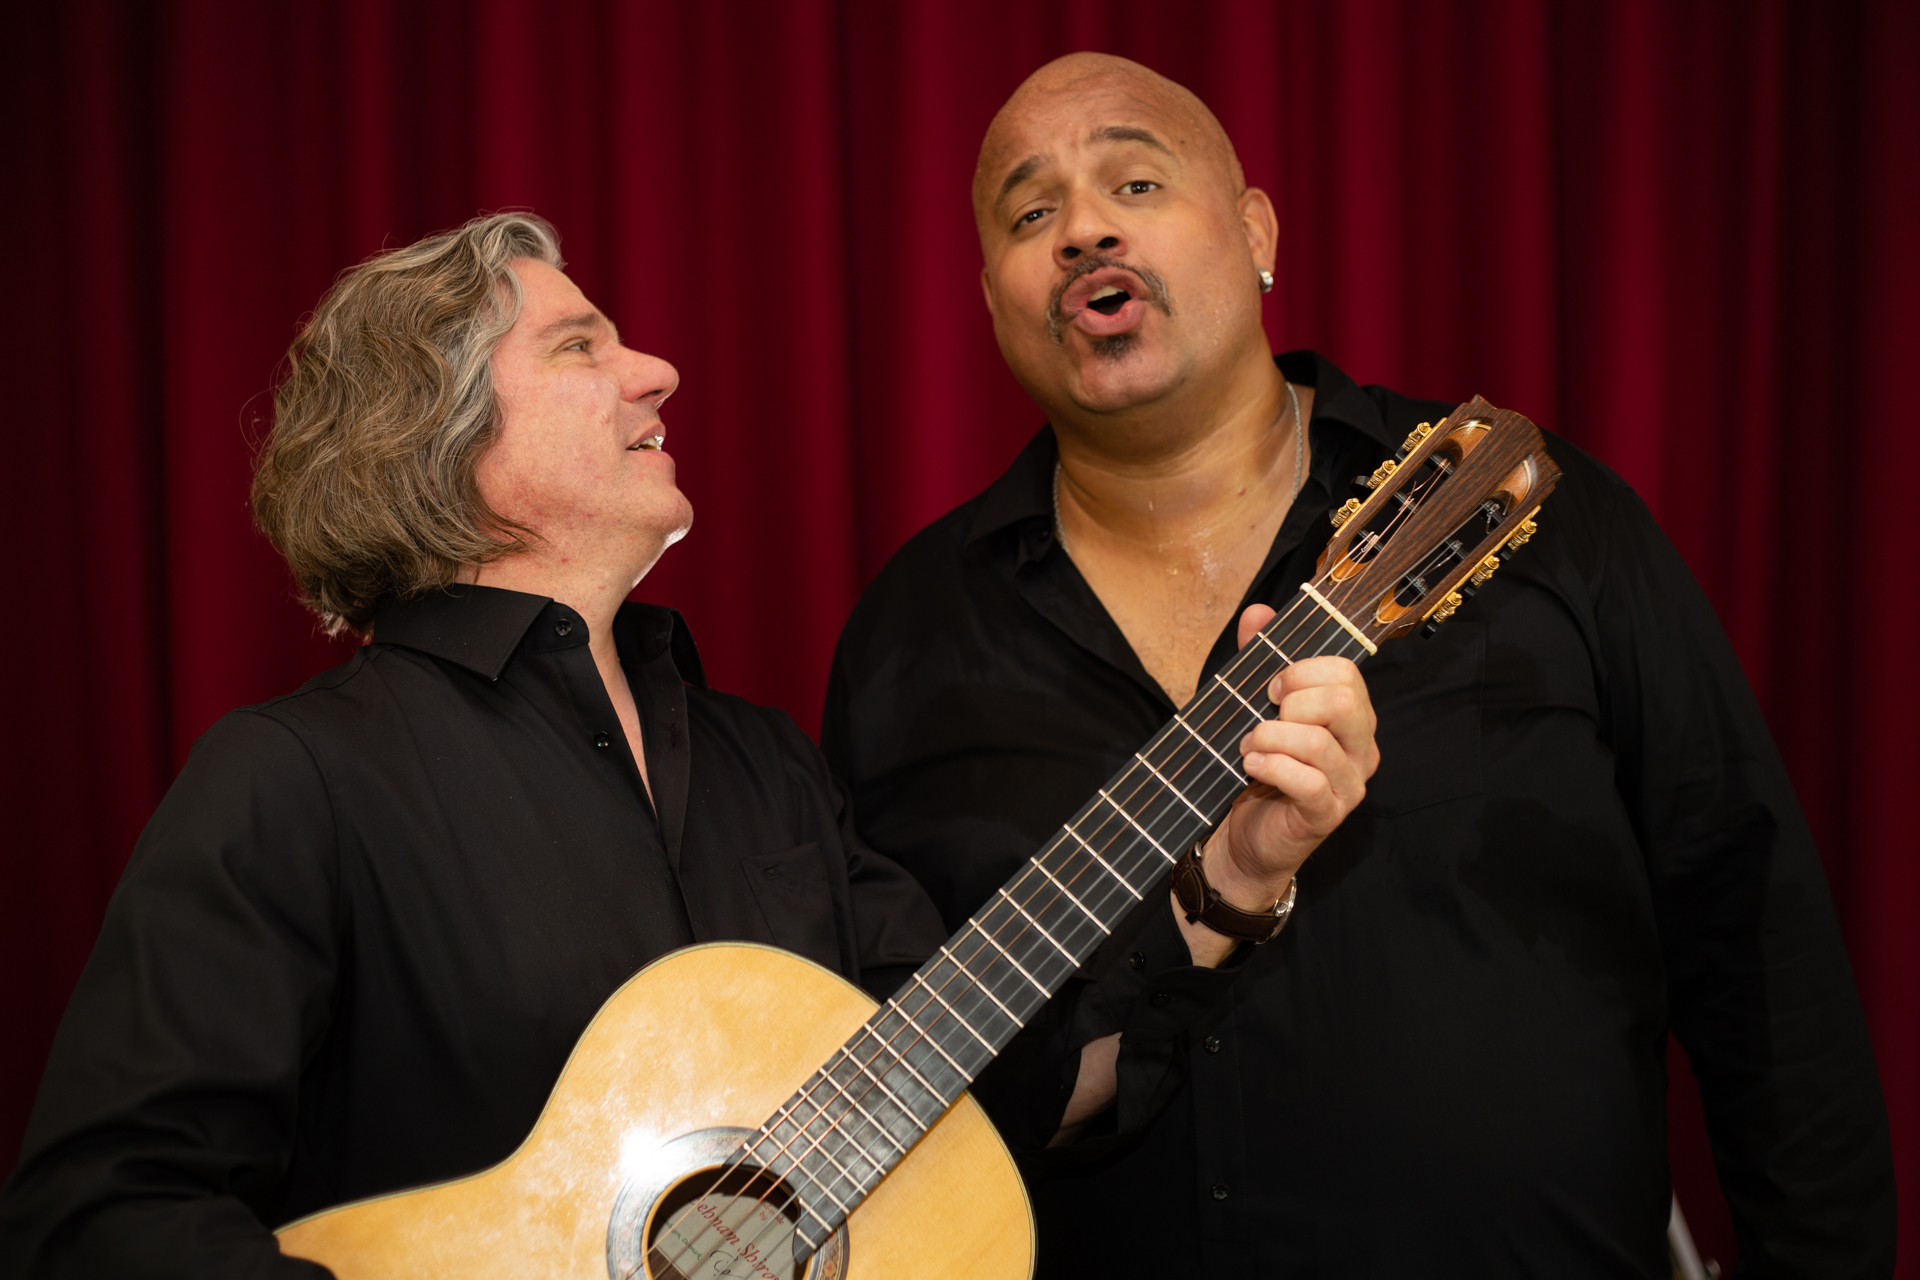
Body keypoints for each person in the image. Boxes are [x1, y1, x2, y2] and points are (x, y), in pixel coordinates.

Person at [0, 211, 1372, 1278]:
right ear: (435, 431)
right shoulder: (291, 780)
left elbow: (1006, 1108)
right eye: (578, 346)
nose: (656, 370)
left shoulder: (768, 769)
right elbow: (99, 1217)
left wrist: (1237, 881)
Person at [822, 53, 1896, 1277]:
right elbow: (908, 1095)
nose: (1082, 230)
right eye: (1029, 215)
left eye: (1135, 182)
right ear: (991, 298)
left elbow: (1759, 949)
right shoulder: (907, 639)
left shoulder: (1528, 517)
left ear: (1256, 232)